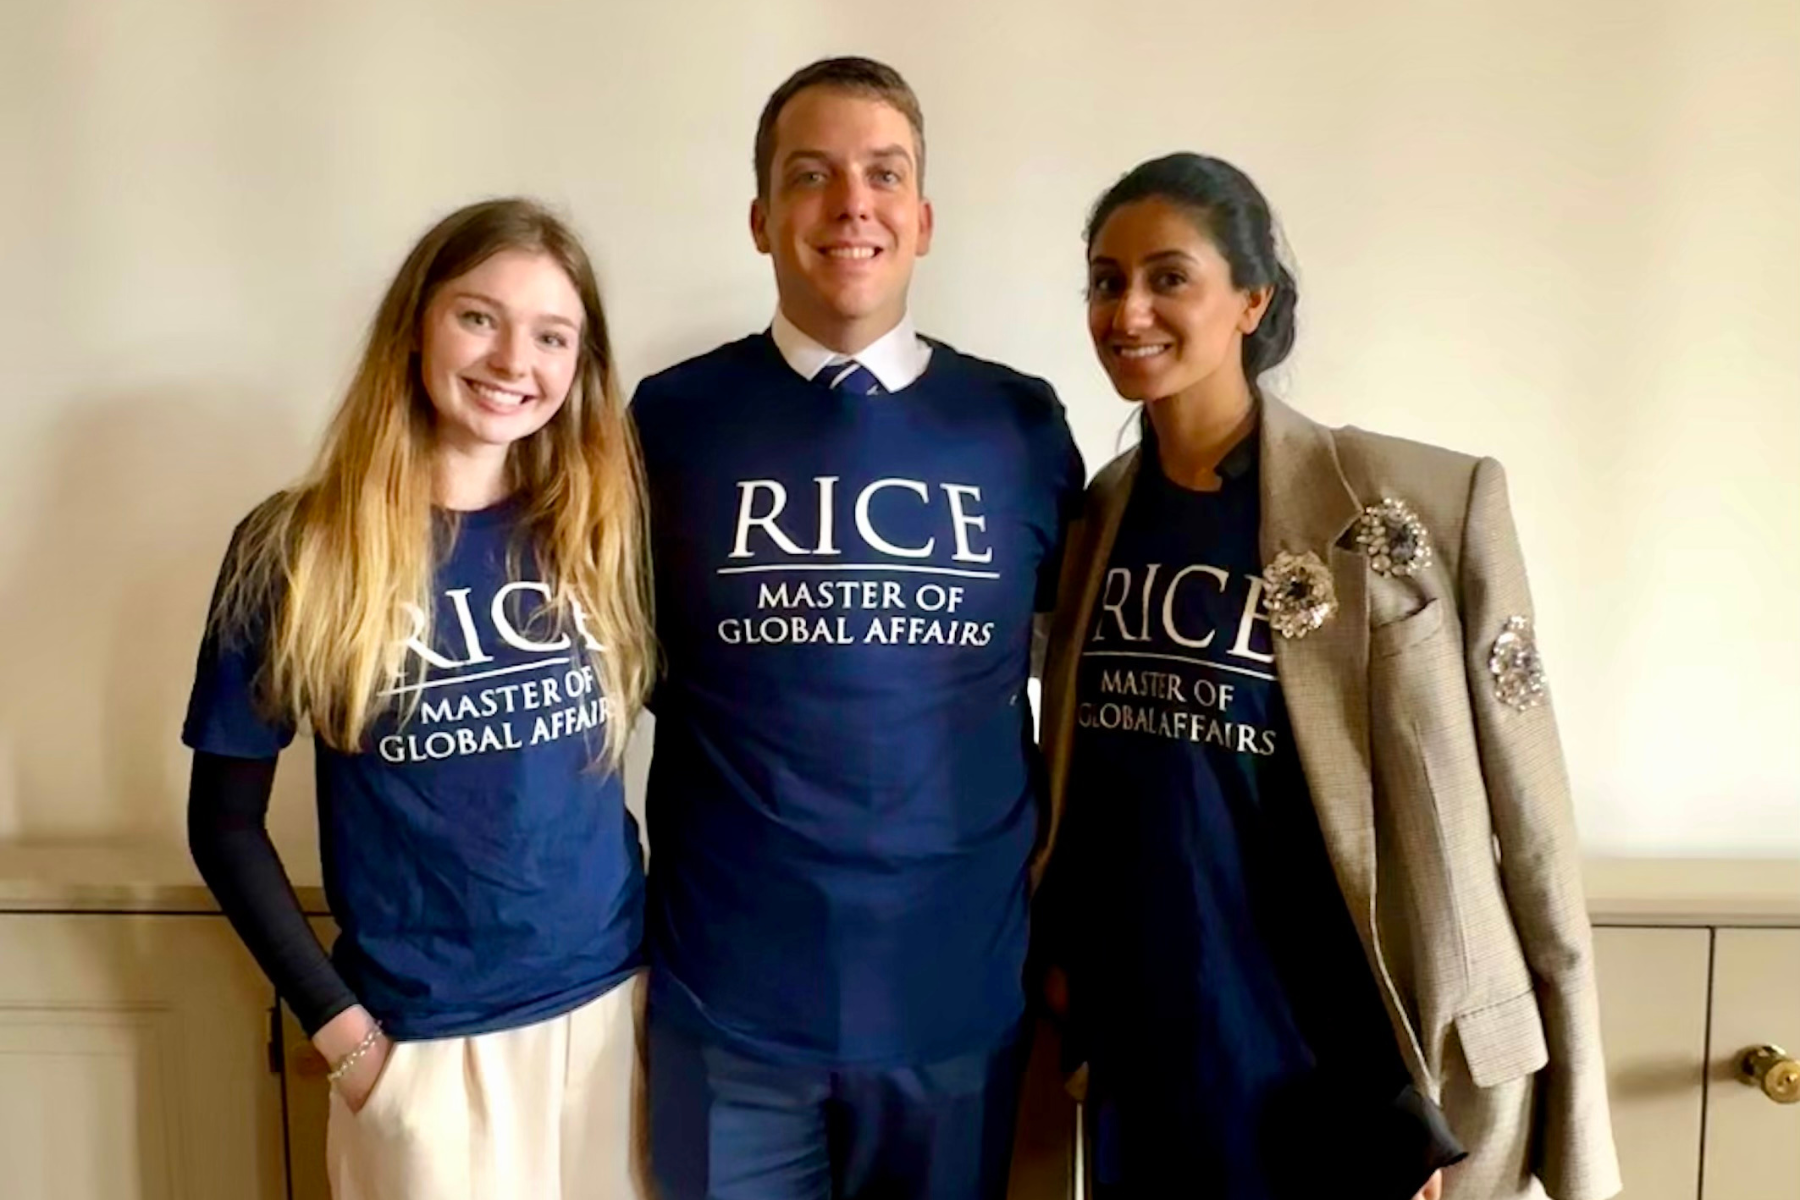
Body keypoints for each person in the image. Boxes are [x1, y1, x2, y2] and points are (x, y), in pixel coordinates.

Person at [1034, 153, 1620, 1200]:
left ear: (1251, 298)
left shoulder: (1423, 503)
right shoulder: (1094, 519)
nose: (1129, 309)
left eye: (1169, 276)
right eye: (1106, 279)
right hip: (1155, 1071)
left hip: (1357, 1086)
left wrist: (1514, 1125)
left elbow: (1532, 824)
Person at [630, 56, 1085, 1200]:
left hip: (957, 994)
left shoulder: (1019, 425)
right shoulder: (667, 420)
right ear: (760, 216)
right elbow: (609, 669)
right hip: (728, 998)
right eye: (811, 174)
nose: (852, 204)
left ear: (923, 219)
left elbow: (1075, 679)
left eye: (885, 174)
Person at [182, 198, 655, 1199]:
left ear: (579, 365)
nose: (512, 359)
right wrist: (348, 1042)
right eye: (478, 316)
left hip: (618, 1022)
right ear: (416, 322)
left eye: (551, 334)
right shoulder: (293, 550)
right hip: (420, 1051)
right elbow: (224, 825)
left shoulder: (599, 531)